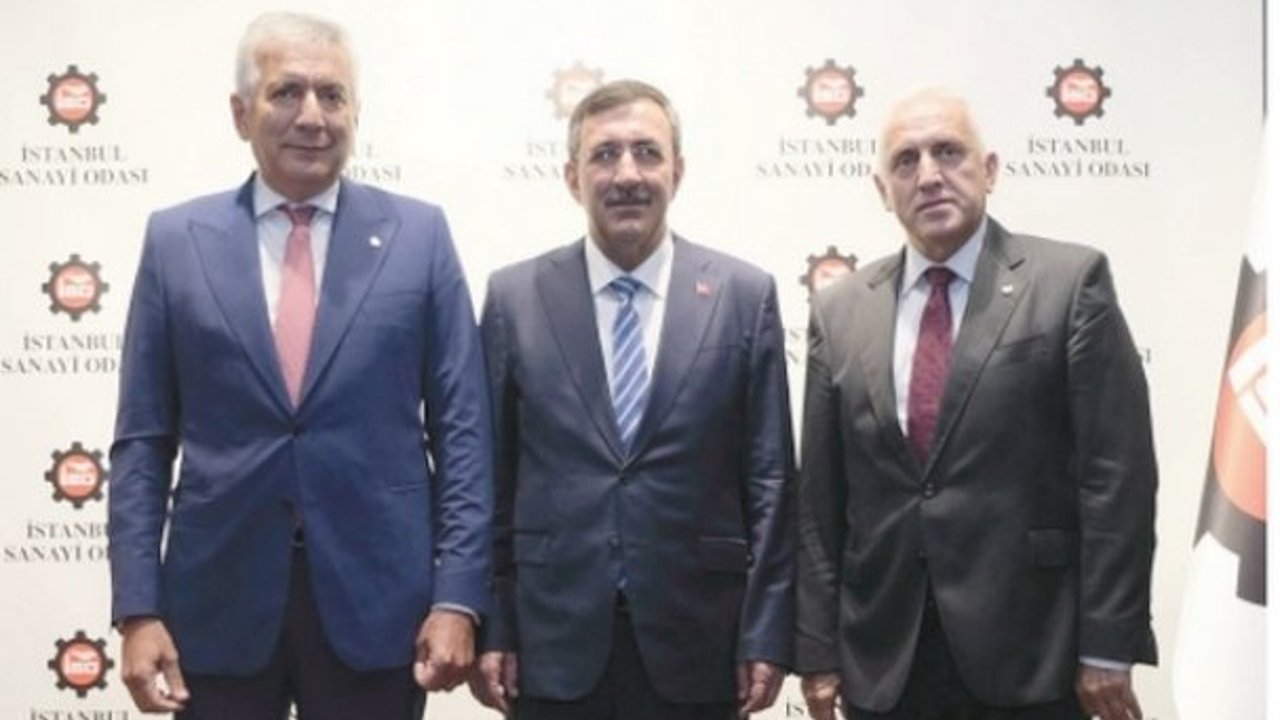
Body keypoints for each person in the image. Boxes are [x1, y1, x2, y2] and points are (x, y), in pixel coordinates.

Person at [107, 11, 492, 719]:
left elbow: (464, 434)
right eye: (286, 92)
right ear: (240, 113)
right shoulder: (175, 242)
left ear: (355, 112)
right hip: (214, 608)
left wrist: (459, 598)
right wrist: (137, 609)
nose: (312, 116)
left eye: (332, 95)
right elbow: (143, 441)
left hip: (382, 610)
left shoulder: (420, 236)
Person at [795, 87, 1158, 720]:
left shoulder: (1070, 284)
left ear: (988, 170)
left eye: (948, 152)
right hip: (886, 662)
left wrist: (1108, 643)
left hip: (1035, 655)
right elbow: (819, 503)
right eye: (905, 161)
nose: (929, 175)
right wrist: (817, 649)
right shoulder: (839, 310)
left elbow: (1117, 480)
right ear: (882, 190)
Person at [469, 79, 795, 720]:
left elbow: (771, 481)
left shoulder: (743, 295)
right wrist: (494, 623)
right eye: (604, 154)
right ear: (572, 177)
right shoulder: (514, 298)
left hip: (702, 642)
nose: (627, 174)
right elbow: (490, 479)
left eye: (647, 152)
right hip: (550, 643)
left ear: (678, 171)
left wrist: (765, 631)